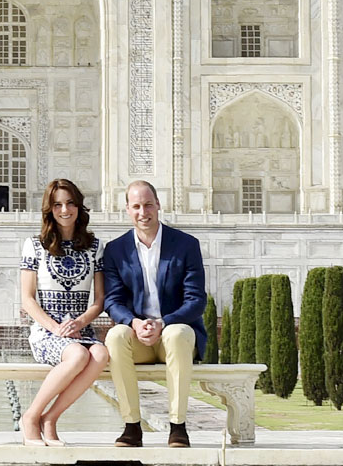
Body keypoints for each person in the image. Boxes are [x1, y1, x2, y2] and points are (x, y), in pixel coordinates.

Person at [103, 180, 206, 448]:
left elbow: (196, 301)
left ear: (158, 205)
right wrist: (134, 323)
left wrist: (163, 323)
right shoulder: (116, 250)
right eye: (136, 206)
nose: (143, 212)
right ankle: (132, 426)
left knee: (179, 332)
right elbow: (112, 301)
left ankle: (178, 426)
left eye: (148, 204)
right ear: (127, 209)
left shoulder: (185, 245)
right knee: (115, 336)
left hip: (174, 336)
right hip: (140, 338)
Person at [19, 178, 109, 446]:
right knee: (78, 354)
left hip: (81, 330)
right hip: (46, 333)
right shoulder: (35, 245)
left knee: (101, 353)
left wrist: (80, 322)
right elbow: (27, 299)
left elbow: (100, 300)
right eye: (57, 204)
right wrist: (54, 327)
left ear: (79, 207)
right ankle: (31, 417)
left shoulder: (94, 247)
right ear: (50, 209)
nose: (65, 210)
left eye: (70, 203)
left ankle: (51, 418)